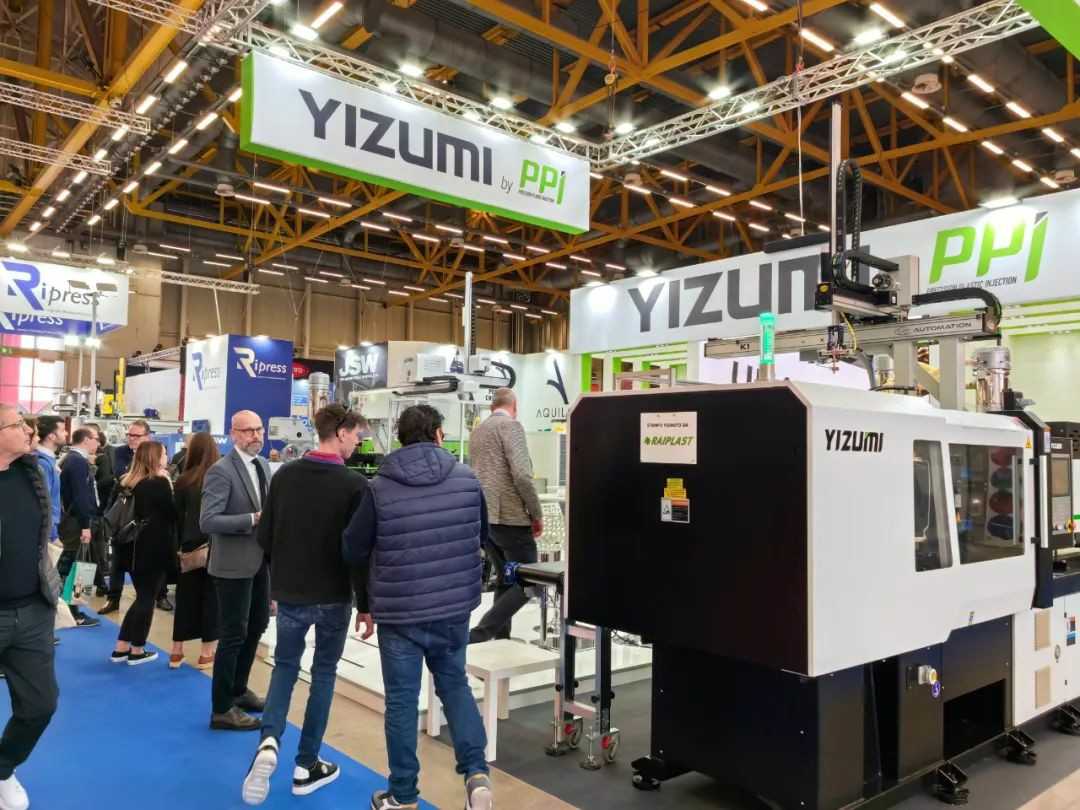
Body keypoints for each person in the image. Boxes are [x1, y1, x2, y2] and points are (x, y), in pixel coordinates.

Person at [343, 405, 493, 810]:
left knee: (402, 702)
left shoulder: (379, 488)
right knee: (455, 685)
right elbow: (482, 534)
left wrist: (365, 600)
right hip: (453, 607)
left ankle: (404, 795)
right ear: (439, 434)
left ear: (400, 438)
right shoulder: (467, 480)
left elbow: (353, 548)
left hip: (400, 611)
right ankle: (477, 774)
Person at [241, 405, 370, 805]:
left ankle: (269, 741)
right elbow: (358, 551)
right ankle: (307, 764)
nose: (358, 443)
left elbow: (265, 537)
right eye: (356, 436)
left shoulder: (285, 476)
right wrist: (366, 604)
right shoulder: (355, 485)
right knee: (324, 674)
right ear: (341, 432)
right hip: (334, 595)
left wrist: (276, 582)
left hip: (291, 593)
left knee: (284, 668)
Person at [0, 403, 60, 810]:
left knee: (40, 704)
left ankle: (3, 768)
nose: (28, 430)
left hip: (32, 611)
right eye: (18, 424)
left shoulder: (33, 471)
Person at [201, 410, 271, 731]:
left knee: (256, 626)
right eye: (248, 431)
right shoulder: (221, 471)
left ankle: (239, 690)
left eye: (259, 430)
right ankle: (221, 708)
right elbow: (208, 521)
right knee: (232, 636)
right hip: (231, 567)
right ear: (233, 434)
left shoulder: (263, 465)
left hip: (259, 563)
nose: (255, 436)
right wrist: (251, 520)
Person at [467, 388, 543, 643]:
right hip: (510, 520)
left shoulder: (478, 431)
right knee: (531, 580)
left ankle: (501, 640)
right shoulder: (511, 426)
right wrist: (536, 513)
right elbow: (522, 475)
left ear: (492, 407)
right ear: (515, 405)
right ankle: (481, 633)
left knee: (507, 578)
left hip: (486, 521)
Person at [109, 441, 177, 666]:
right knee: (147, 598)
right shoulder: (159, 483)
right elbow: (172, 514)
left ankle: (121, 646)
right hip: (152, 548)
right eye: (164, 453)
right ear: (155, 457)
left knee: (142, 597)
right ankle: (137, 650)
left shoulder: (127, 482)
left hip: (129, 546)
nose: (167, 456)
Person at [170, 433, 220, 670]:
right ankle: (206, 653)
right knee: (212, 599)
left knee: (185, 598)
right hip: (214, 546)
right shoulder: (218, 479)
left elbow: (176, 518)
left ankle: (176, 651)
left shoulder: (183, 480)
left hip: (189, 547)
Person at [100, 419, 153, 615]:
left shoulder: (155, 453)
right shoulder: (117, 453)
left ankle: (155, 596)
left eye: (136, 435)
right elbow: (112, 481)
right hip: (122, 514)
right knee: (118, 562)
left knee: (144, 563)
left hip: (145, 517)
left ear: (147, 436)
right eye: (129, 435)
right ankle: (113, 598)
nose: (131, 438)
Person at [56, 428, 102, 629]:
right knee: (77, 568)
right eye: (96, 439)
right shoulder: (77, 462)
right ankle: (73, 613)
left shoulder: (70, 459)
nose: (98, 443)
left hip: (72, 521)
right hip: (75, 523)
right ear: (85, 440)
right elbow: (80, 496)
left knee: (75, 566)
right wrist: (85, 525)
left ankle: (72, 611)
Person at [33, 416, 67, 547]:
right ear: (51, 436)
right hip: (46, 533)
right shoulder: (43, 463)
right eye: (62, 430)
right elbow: (45, 501)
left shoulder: (48, 461)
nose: (66, 433)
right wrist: (53, 535)